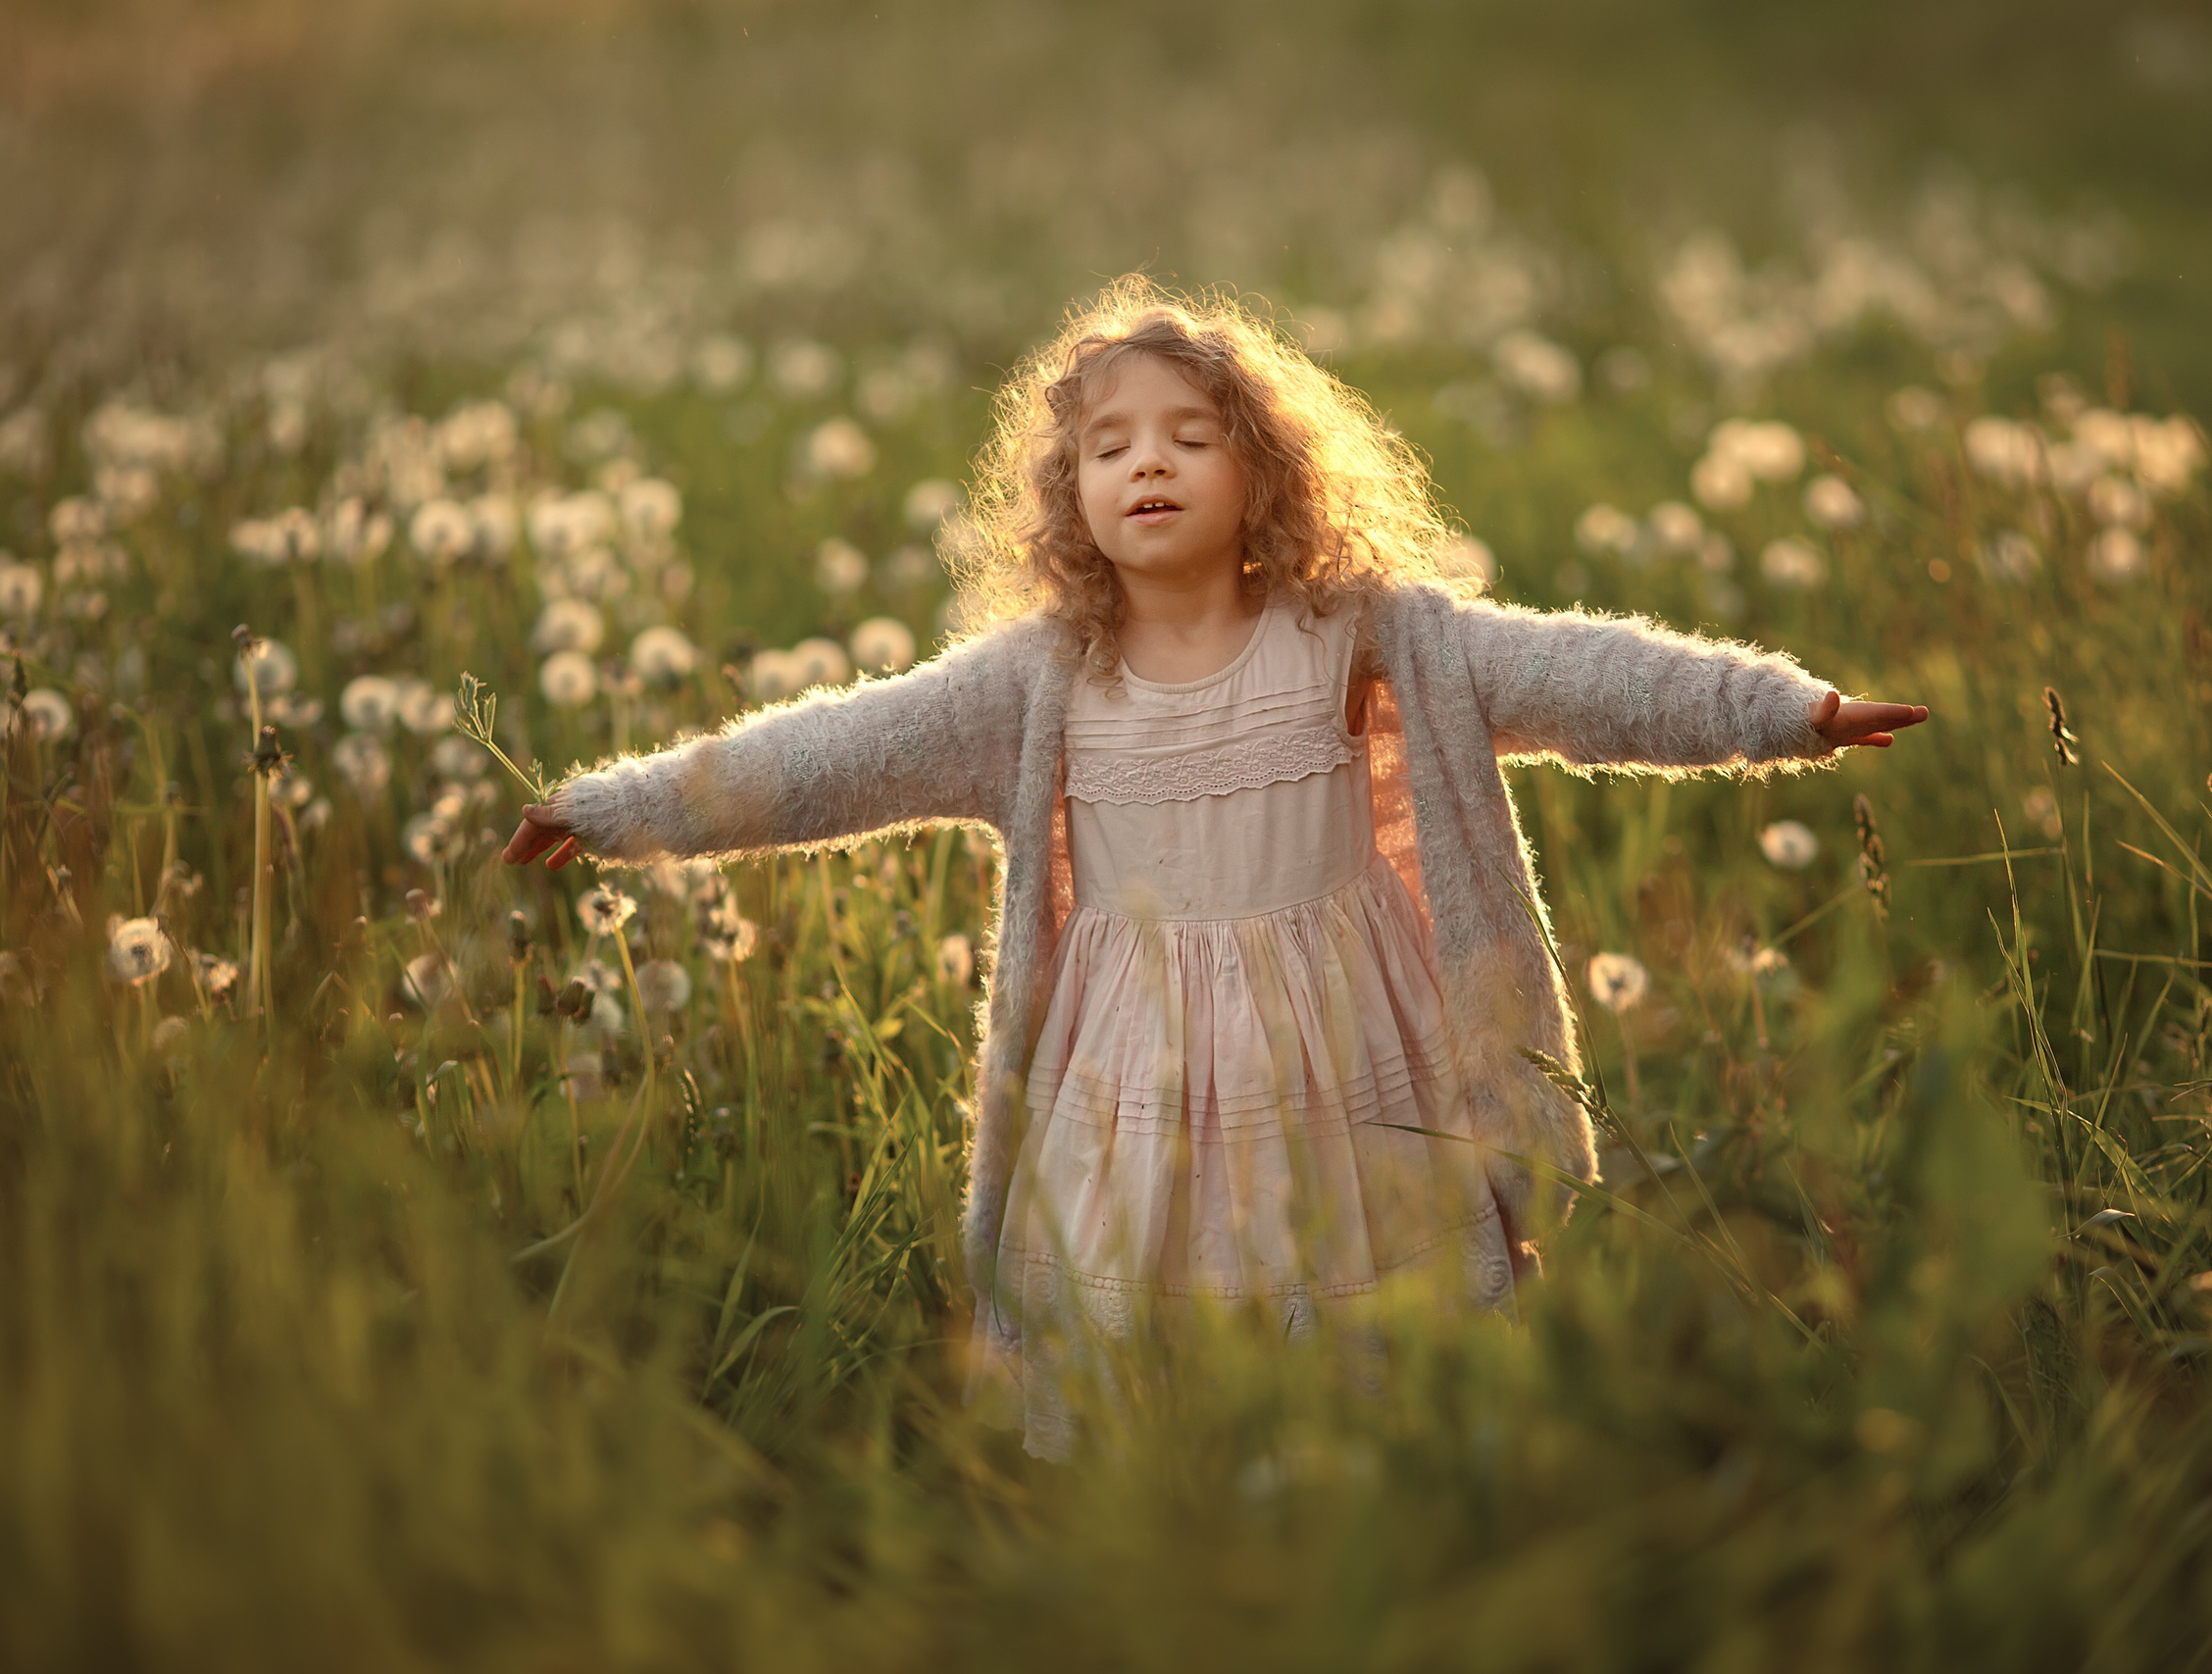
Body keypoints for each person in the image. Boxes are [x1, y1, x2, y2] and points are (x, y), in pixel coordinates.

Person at [503, 277, 1926, 1457]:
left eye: (1192, 436)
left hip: (1349, 1051)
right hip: (1133, 1062)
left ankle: (1367, 1494)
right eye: (1110, 446)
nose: (1150, 464)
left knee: (1365, 1310)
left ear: (1266, 472)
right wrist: (623, 808)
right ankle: (1161, 1515)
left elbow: (1575, 673)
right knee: (1148, 1298)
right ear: (1068, 492)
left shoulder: (1360, 636)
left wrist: (1778, 712)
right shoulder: (1041, 681)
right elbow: (829, 755)